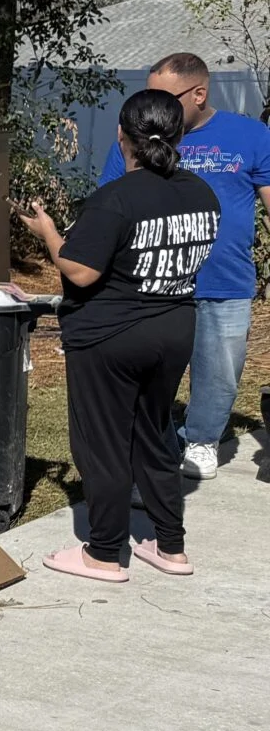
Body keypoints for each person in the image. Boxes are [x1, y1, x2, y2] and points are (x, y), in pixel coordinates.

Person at [24, 89, 220, 582]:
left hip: (110, 335)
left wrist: (48, 233)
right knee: (154, 432)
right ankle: (170, 547)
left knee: (104, 442)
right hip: (174, 328)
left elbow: (82, 272)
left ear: (121, 136)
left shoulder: (114, 198)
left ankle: (104, 552)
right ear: (181, 134)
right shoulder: (202, 193)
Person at [97, 53, 270, 477]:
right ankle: (151, 444)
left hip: (224, 280)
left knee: (220, 371)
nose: (153, 103)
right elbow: (109, 206)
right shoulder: (138, 137)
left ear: (198, 94)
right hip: (153, 281)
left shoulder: (250, 135)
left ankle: (202, 440)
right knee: (149, 373)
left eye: (163, 95)